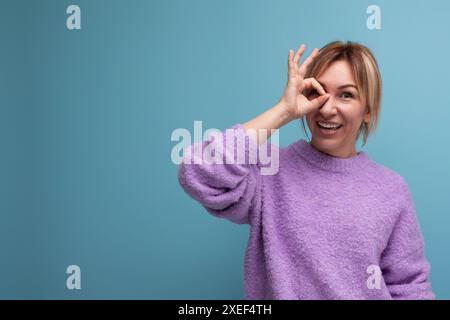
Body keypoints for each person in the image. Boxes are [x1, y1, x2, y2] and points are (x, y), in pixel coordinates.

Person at [177, 40, 435, 300]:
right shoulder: (269, 170)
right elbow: (198, 173)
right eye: (318, 91)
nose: (326, 108)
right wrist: (283, 111)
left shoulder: (391, 189)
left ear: (367, 110)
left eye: (346, 95)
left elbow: (410, 287)